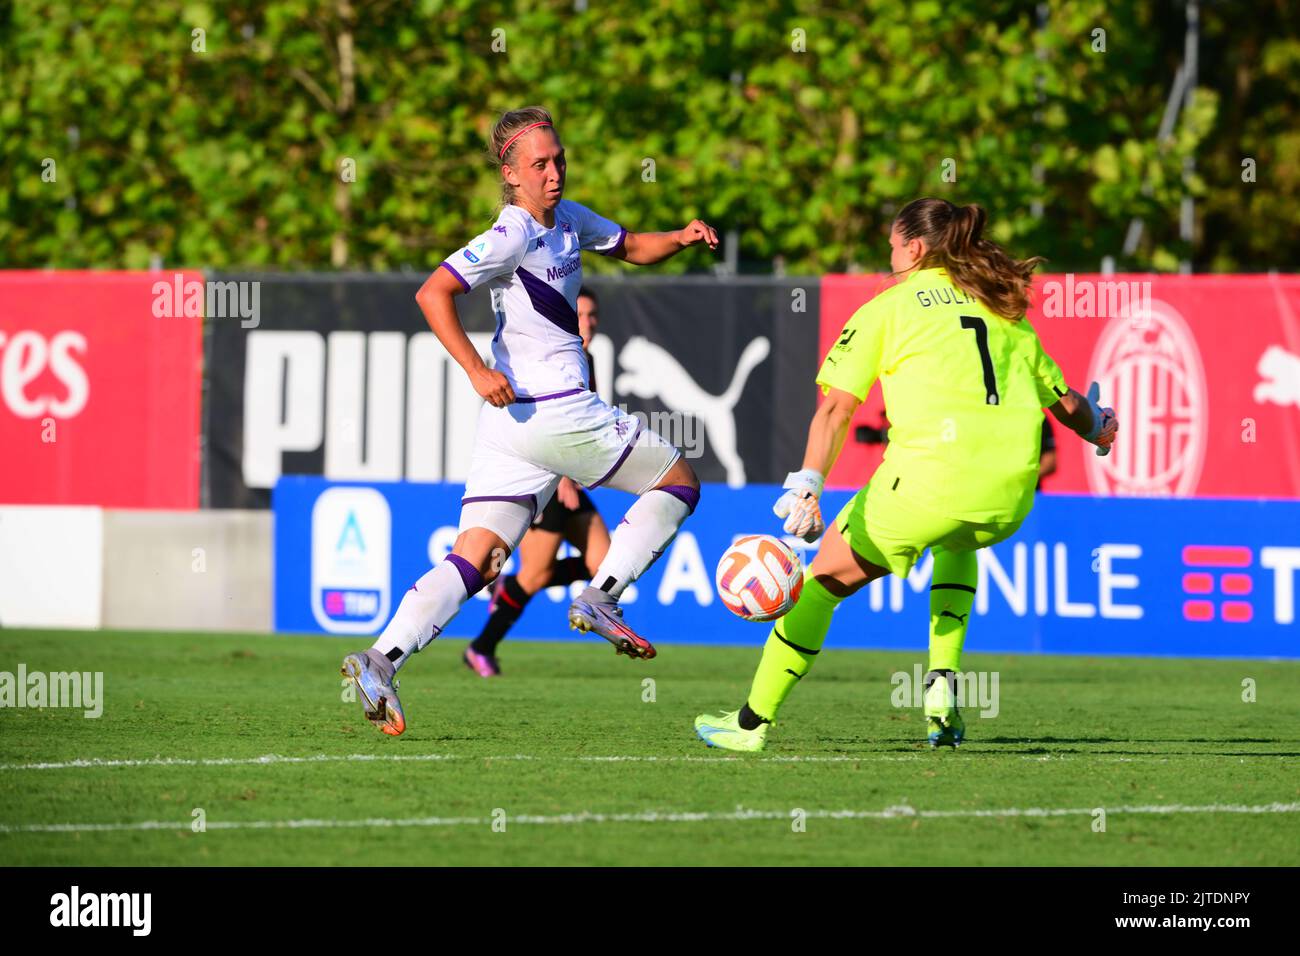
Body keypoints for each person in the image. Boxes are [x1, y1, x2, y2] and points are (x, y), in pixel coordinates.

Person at [342, 106, 718, 736]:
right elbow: (433, 292)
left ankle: (379, 659)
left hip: (513, 428)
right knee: (680, 483)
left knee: (480, 558)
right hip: (554, 409)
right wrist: (474, 369)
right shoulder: (512, 232)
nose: (554, 173)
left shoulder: (568, 219)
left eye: (559, 160)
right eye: (539, 165)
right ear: (511, 175)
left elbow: (628, 246)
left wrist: (679, 238)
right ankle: (601, 595)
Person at [695, 197, 1117, 752]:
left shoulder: (888, 308)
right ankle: (941, 691)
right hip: (1010, 498)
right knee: (957, 539)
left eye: (893, 245)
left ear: (913, 249)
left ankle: (750, 725)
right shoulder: (1003, 311)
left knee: (820, 584)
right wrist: (1102, 428)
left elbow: (836, 409)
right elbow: (1069, 408)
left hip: (925, 489)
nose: (889, 254)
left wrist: (808, 482)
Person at [464, 287, 612, 677]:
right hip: (543, 481)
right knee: (535, 574)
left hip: (570, 479)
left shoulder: (585, 358)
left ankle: (504, 595)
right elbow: (542, 425)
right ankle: (481, 648)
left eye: (593, 316)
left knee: (604, 564)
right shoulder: (542, 359)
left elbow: (581, 422)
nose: (588, 323)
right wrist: (561, 473)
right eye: (581, 314)